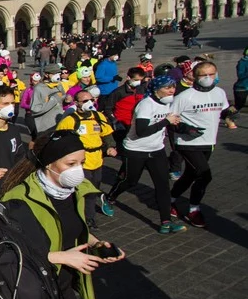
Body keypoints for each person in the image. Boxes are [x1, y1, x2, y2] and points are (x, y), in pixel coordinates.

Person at [0, 131, 126, 299]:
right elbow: (8, 251)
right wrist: (61, 257)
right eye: (71, 164)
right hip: (33, 292)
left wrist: (97, 243)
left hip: (64, 288)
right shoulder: (18, 199)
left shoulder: (76, 190)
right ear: (49, 163)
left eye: (82, 162)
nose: (79, 170)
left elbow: (74, 229)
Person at [106, 75, 186, 234]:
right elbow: (142, 131)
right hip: (136, 149)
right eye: (167, 87)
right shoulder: (145, 105)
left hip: (156, 150)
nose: (172, 90)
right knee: (130, 181)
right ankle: (109, 198)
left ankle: (166, 222)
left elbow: (170, 124)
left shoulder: (169, 104)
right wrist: (166, 121)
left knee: (163, 185)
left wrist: (187, 129)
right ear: (157, 89)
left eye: (173, 87)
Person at [169, 61, 234, 228]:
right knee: (205, 175)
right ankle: (193, 210)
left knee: (190, 175)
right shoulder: (184, 96)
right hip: (188, 143)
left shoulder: (219, 92)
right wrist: (185, 128)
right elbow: (169, 119)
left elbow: (223, 110)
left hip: (209, 141)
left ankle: (171, 199)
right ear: (195, 77)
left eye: (211, 74)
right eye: (203, 75)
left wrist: (229, 117)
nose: (208, 78)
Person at [55, 89, 117, 228]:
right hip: (80, 162)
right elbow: (58, 138)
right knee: (84, 191)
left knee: (94, 189)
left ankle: (88, 216)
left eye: (92, 100)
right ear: (76, 103)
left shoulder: (98, 116)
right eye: (85, 101)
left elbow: (106, 133)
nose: (90, 103)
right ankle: (86, 219)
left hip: (97, 159)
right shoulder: (70, 121)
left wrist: (111, 146)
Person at [32, 64, 68, 134]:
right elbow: (35, 109)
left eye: (58, 73)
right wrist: (53, 100)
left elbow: (62, 98)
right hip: (45, 126)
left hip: (59, 123)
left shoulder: (58, 85)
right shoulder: (39, 88)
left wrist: (66, 99)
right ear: (46, 75)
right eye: (54, 73)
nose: (57, 76)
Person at [235, 47, 248, 114]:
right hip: (242, 87)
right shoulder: (242, 62)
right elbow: (240, 75)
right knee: (238, 106)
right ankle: (228, 116)